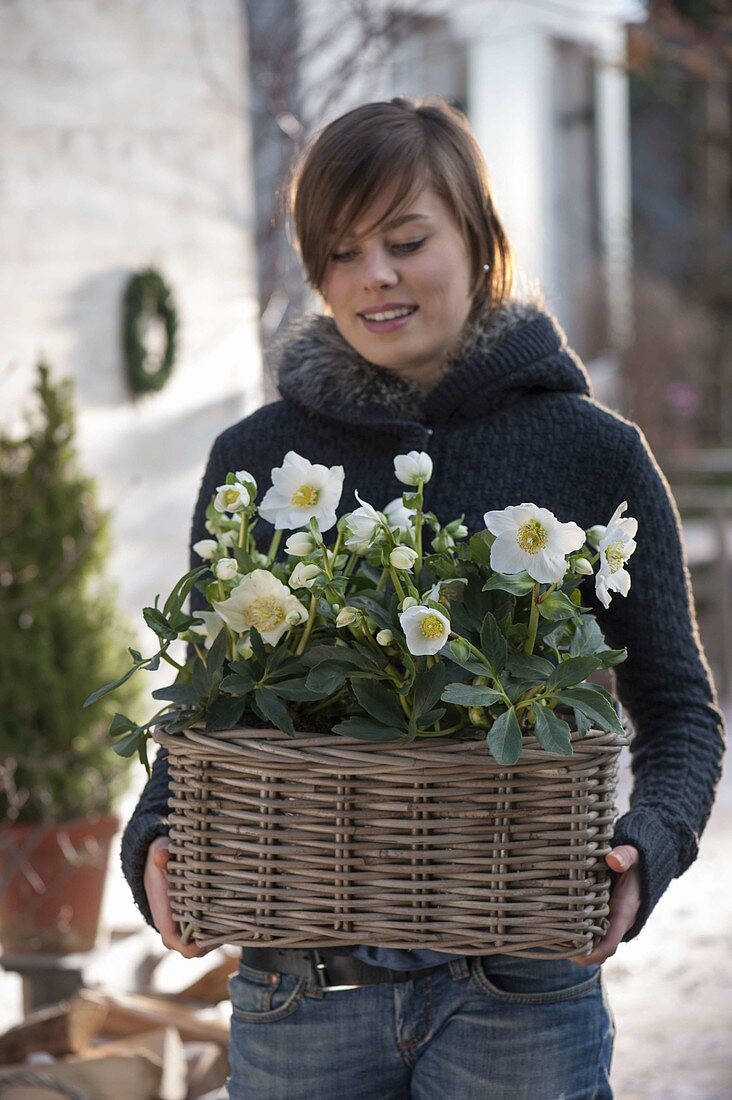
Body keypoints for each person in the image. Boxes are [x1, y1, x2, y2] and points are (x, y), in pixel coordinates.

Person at [121, 96, 726, 1099]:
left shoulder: (593, 451)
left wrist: (648, 845)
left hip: (522, 994)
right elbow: (207, 712)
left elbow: (679, 711)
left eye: (407, 240)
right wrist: (155, 840)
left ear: (482, 242)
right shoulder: (257, 460)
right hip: (299, 992)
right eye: (343, 252)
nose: (377, 277)